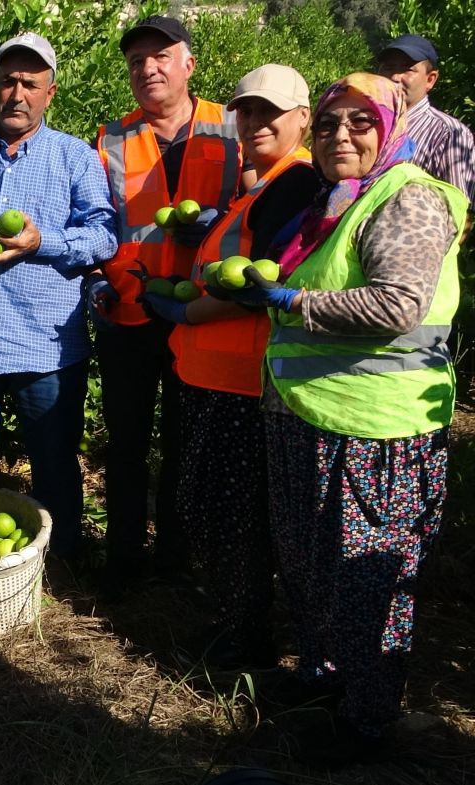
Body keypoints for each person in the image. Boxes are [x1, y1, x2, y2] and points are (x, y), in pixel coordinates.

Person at [233, 73, 465, 763]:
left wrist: (294, 302)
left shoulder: (411, 198)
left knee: (366, 584)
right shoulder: (338, 200)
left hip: (378, 432)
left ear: (391, 128)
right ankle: (320, 678)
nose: (341, 136)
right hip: (312, 415)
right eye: (330, 123)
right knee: (309, 562)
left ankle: (364, 723)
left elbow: (398, 303)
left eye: (359, 123)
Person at [143, 64, 321, 668]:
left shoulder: (294, 184)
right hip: (212, 375)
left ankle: (245, 641)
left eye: (269, 112)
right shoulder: (261, 184)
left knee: (231, 514)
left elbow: (265, 282)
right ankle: (236, 622)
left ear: (303, 118)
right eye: (246, 111)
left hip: (240, 382)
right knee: (218, 508)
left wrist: (189, 315)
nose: (254, 122)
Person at [0, 34, 117, 559]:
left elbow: (103, 236)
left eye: (30, 83)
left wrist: (41, 242)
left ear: (49, 93)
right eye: (8, 80)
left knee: (54, 463)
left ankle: (59, 565)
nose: (18, 93)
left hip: (47, 347)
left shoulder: (74, 158)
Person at [86, 15, 244, 593]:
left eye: (160, 57)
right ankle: (124, 555)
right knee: (125, 441)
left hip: (203, 313)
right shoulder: (111, 136)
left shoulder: (232, 126)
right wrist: (95, 283)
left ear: (188, 65)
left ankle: (177, 556)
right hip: (128, 311)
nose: (147, 68)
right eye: (136, 61)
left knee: (188, 441)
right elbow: (98, 222)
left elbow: (262, 197)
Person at [375, 34, 475, 203]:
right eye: (388, 67)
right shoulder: (365, 124)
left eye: (408, 69)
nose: (394, 77)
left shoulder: (449, 134)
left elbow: (459, 208)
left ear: (430, 79)